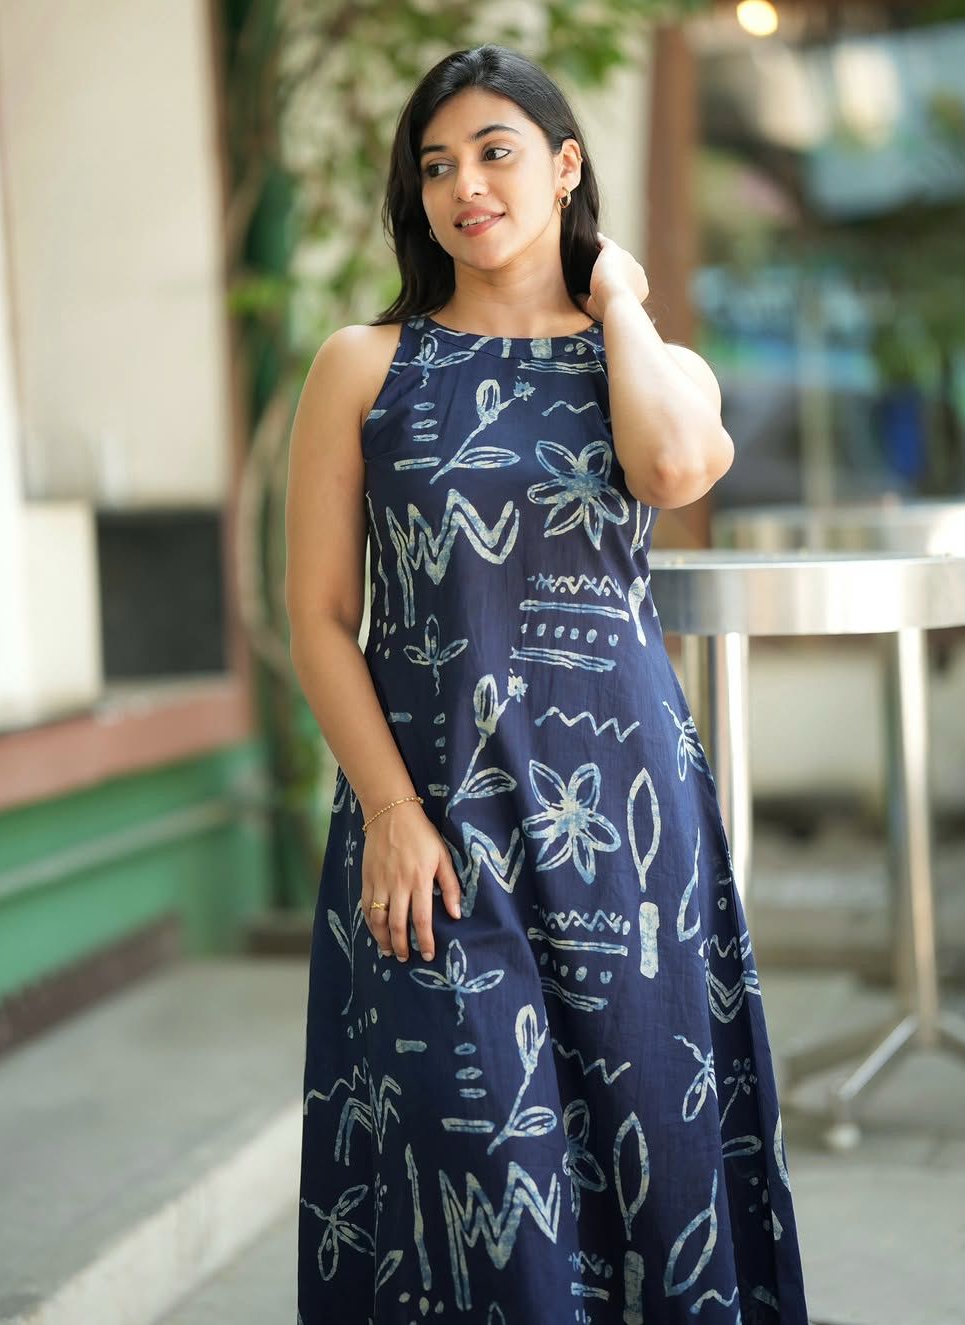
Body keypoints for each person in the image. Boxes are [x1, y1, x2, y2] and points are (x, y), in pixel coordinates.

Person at [287, 42, 809, 1325]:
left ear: (566, 166)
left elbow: (675, 469)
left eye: (496, 151)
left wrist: (618, 295)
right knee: (474, 1167)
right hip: (434, 818)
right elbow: (318, 616)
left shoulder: (652, 367)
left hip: (625, 824)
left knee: (654, 1157)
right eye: (436, 166)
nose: (464, 185)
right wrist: (391, 811)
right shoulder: (365, 365)